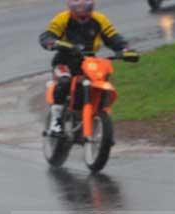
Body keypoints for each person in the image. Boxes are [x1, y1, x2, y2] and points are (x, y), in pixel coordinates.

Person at [39, 0, 130, 135]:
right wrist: (52, 42)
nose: (81, 11)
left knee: (101, 81)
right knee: (64, 81)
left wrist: (125, 49)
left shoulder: (100, 19)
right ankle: (56, 121)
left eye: (85, 6)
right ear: (71, 6)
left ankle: (98, 113)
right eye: (77, 7)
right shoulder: (62, 18)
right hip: (64, 60)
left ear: (91, 5)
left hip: (88, 61)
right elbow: (48, 35)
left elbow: (113, 37)